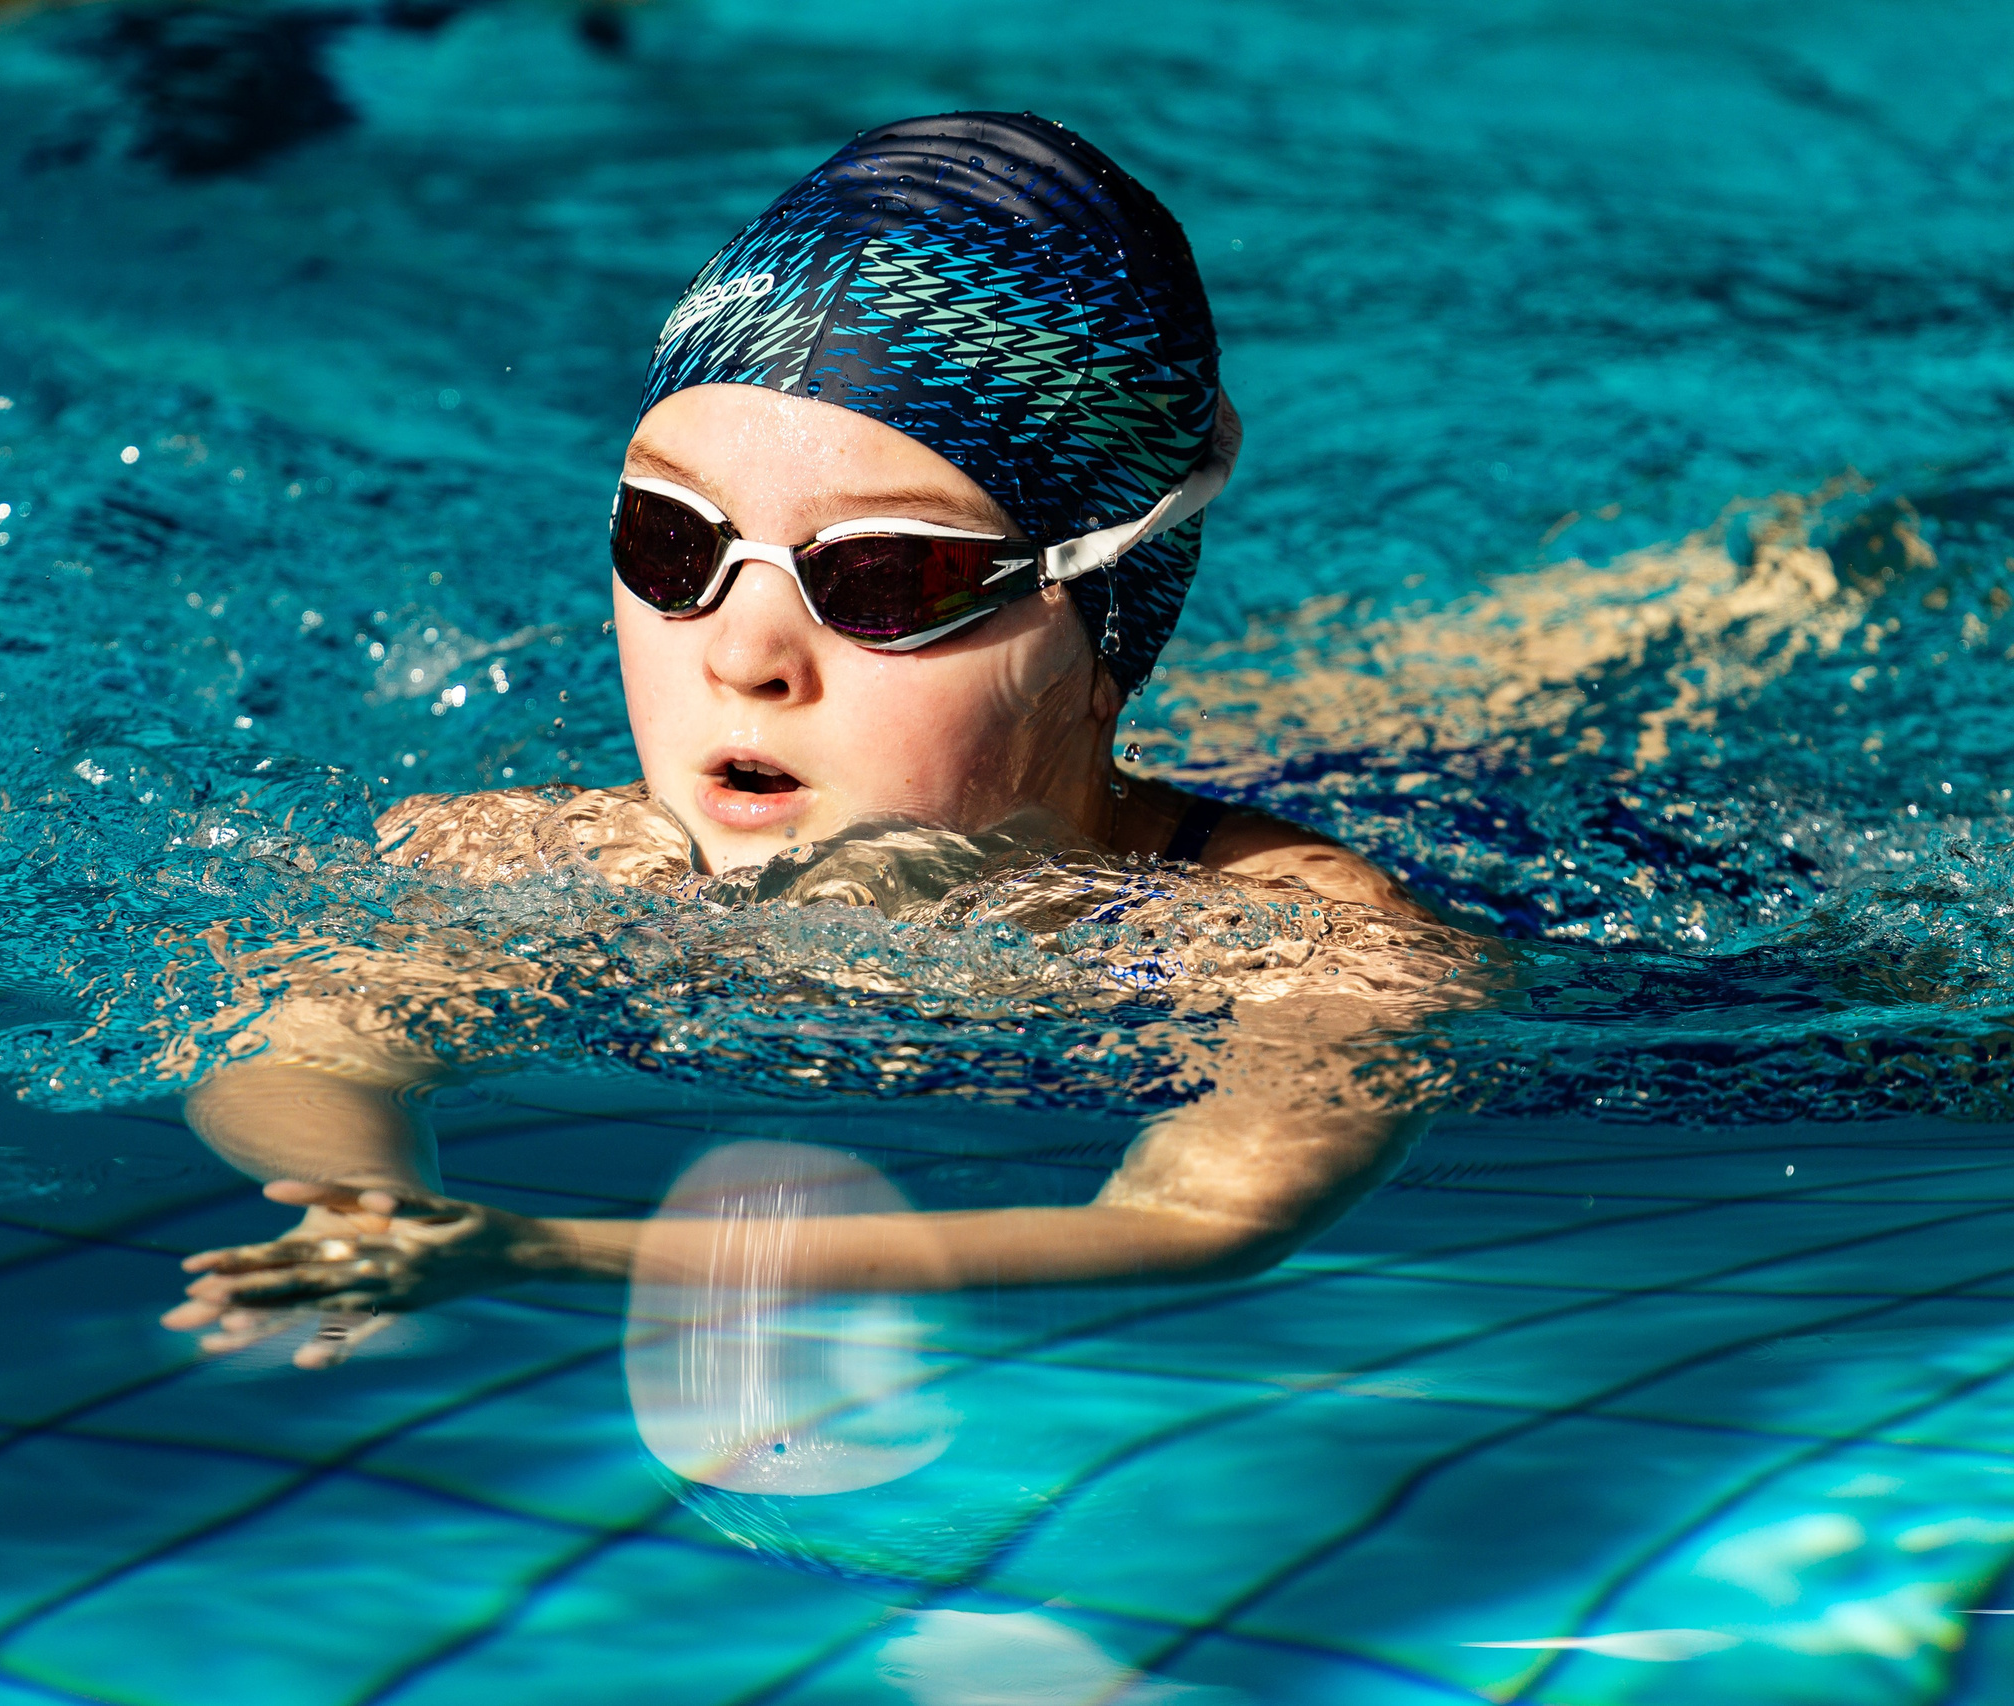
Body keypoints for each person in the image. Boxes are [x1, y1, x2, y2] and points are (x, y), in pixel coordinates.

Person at [162, 112, 1479, 1367]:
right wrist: (364, 1198)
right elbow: (295, 1045)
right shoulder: (524, 859)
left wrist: (548, 1250)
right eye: (669, 540)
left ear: (1106, 626)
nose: (742, 656)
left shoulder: (1315, 941)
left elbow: (1201, 1222)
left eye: (886, 576)